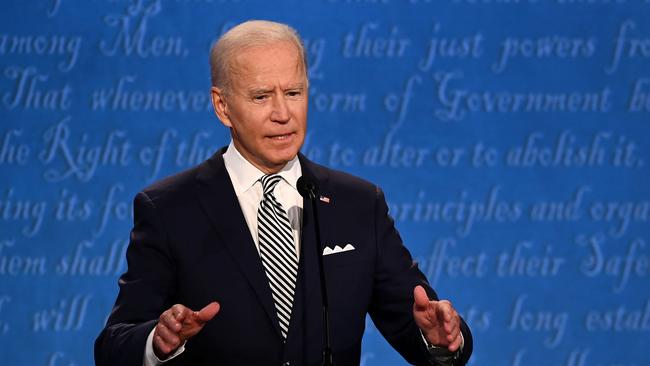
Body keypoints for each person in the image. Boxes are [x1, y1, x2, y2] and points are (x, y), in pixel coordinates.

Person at [94, 20, 473, 366]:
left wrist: (439, 339)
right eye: (261, 97)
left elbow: (422, 322)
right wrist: (157, 343)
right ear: (222, 106)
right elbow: (114, 345)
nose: (283, 113)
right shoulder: (169, 208)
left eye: (293, 92)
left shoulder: (358, 204)